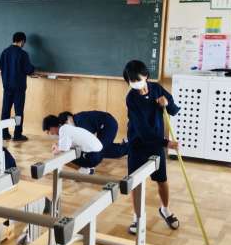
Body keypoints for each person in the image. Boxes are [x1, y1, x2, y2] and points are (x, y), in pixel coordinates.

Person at [123, 60, 180, 234]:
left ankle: (165, 209)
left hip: (155, 145)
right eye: (131, 81)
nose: (135, 84)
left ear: (146, 76)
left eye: (137, 79)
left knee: (162, 180)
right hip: (138, 144)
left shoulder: (156, 88)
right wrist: (166, 143)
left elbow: (173, 109)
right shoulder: (131, 99)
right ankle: (137, 217)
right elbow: (142, 130)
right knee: (136, 182)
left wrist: (167, 103)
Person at [0, 32, 35, 141]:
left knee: (5, 110)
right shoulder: (23, 54)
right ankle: (17, 135)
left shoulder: (4, 52)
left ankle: (4, 133)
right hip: (19, 87)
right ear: (22, 41)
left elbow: (1, 67)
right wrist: (33, 68)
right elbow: (28, 70)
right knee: (18, 112)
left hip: (7, 86)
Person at [57, 110, 128, 159]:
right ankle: (125, 144)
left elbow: (84, 141)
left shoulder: (79, 121)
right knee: (102, 148)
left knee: (101, 151)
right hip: (106, 125)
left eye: (65, 124)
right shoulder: (78, 119)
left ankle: (128, 147)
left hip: (108, 125)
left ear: (69, 118)